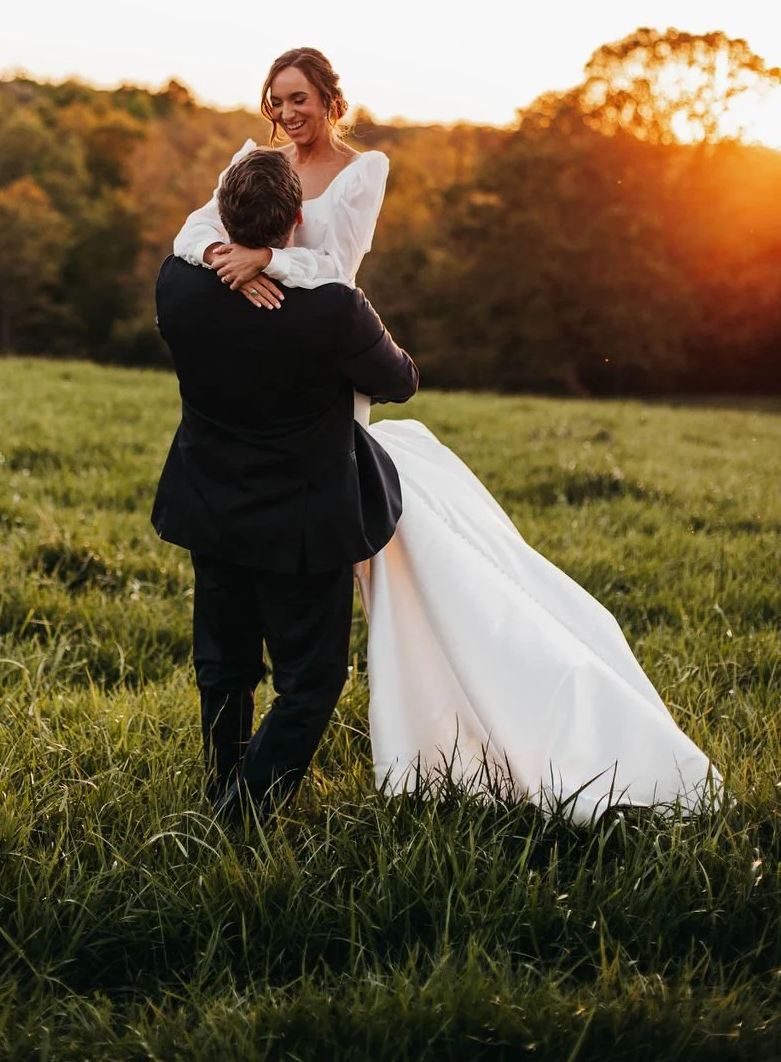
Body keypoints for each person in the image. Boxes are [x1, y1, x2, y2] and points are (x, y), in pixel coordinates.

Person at [173, 48, 720, 824]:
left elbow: (337, 264)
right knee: (285, 603)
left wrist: (268, 260)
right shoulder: (252, 167)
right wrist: (224, 256)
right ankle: (245, 786)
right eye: (276, 99)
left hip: (318, 364)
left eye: (299, 98)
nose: (287, 113)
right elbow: (193, 232)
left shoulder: (363, 173)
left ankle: (279, 764)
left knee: (303, 553)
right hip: (271, 352)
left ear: (331, 100)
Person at [153, 146, 419, 820]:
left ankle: (223, 783)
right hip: (302, 521)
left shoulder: (176, 284)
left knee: (223, 662)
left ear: (220, 214)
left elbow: (191, 249)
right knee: (311, 678)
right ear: (297, 218)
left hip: (211, 502)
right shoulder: (333, 308)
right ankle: (241, 813)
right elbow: (400, 381)